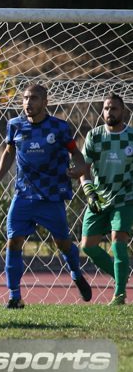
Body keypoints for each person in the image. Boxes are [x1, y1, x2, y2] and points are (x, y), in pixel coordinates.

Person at [0, 83, 92, 309]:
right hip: (23, 194)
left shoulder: (59, 128)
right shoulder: (14, 126)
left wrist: (79, 168)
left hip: (51, 197)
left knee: (62, 243)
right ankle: (15, 296)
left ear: (45, 102)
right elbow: (8, 152)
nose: (27, 103)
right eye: (25, 98)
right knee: (13, 241)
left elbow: (75, 152)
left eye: (33, 98)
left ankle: (75, 272)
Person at [78, 93, 132, 305]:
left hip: (126, 197)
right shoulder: (94, 136)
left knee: (118, 242)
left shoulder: (131, 136)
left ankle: (119, 294)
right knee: (87, 246)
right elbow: (84, 167)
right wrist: (89, 193)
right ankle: (121, 274)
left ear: (123, 111)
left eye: (114, 108)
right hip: (99, 197)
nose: (110, 112)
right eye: (106, 108)